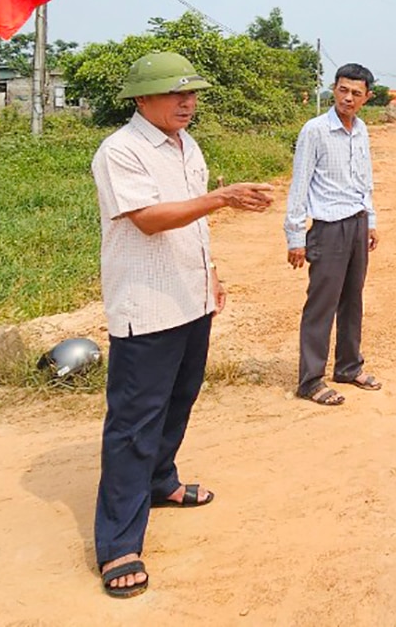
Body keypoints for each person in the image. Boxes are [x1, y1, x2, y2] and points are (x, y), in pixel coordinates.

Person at [90, 51, 276, 599]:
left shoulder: (185, 145)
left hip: (189, 299)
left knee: (179, 399)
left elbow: (192, 228)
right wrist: (220, 197)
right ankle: (119, 543)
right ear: (141, 99)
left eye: (191, 94)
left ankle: (160, 482)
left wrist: (212, 273)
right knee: (132, 422)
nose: (186, 103)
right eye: (175, 94)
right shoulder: (120, 151)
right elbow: (148, 221)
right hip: (146, 307)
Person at [285, 62, 382, 406]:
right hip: (327, 228)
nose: (348, 98)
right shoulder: (315, 131)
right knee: (321, 304)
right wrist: (296, 237)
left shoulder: (361, 130)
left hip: (356, 223)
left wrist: (370, 220)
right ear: (333, 90)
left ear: (367, 98)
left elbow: (364, 179)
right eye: (343, 90)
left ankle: (348, 366)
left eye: (356, 93)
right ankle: (311, 379)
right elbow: (299, 185)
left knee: (352, 300)